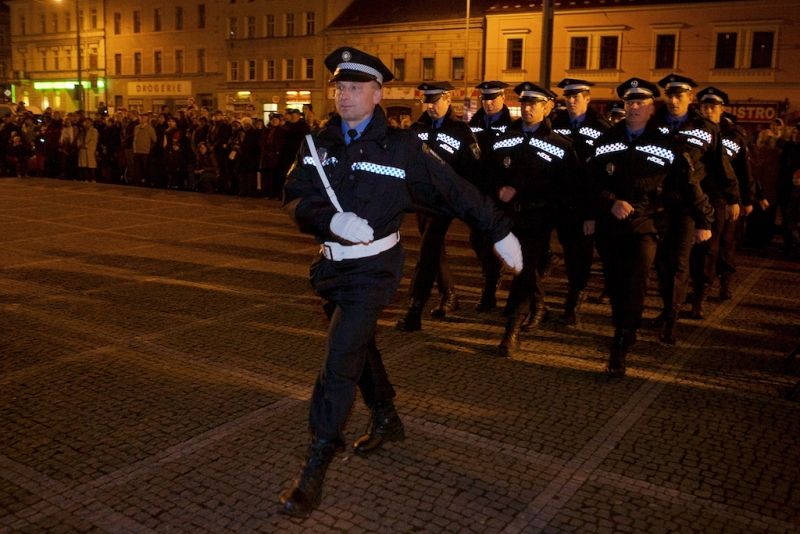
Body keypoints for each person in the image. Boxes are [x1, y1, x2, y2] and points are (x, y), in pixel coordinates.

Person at [279, 46, 522, 518]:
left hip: (374, 270)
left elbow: (454, 190)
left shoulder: (404, 147)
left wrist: (499, 229)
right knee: (358, 345)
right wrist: (329, 221)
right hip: (331, 266)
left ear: (378, 93)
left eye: (355, 87)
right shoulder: (316, 143)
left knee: (338, 360)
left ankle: (316, 461)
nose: (345, 95)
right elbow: (293, 197)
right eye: (340, 87)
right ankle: (387, 415)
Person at [591, 78, 713, 377]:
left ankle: (621, 341)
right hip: (611, 225)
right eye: (629, 103)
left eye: (640, 103)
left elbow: (687, 184)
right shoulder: (605, 141)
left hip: (646, 226)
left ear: (650, 108)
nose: (633, 108)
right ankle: (622, 326)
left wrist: (704, 218)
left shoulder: (666, 143)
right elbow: (590, 182)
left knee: (635, 282)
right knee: (616, 283)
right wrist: (611, 201)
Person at [489, 82, 580, 357]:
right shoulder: (505, 138)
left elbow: (570, 186)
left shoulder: (561, 146)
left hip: (539, 217)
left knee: (522, 269)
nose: (527, 109)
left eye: (534, 104)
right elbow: (488, 172)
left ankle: (511, 332)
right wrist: (497, 189)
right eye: (524, 103)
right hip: (507, 217)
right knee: (520, 268)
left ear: (547, 106)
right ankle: (539, 303)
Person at [652, 73, 738, 344]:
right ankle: (667, 306)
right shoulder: (653, 125)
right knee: (661, 264)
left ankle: (672, 318)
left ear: (690, 98)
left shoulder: (706, 129)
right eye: (670, 95)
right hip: (658, 205)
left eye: (680, 95)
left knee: (679, 263)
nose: (674, 100)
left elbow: (719, 171)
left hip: (688, 207)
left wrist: (725, 203)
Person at [395, 81, 482, 331]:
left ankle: (414, 309)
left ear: (448, 99)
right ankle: (449, 294)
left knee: (428, 251)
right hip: (421, 202)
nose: (430, 106)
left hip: (445, 202)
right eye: (427, 101)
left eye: (435, 101)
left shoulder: (461, 131)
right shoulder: (416, 128)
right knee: (433, 250)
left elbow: (473, 170)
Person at [550, 78, 611, 326]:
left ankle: (575, 298)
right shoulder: (557, 123)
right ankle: (573, 290)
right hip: (562, 201)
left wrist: (592, 213)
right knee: (568, 249)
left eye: (577, 97)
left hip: (587, 203)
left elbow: (603, 175)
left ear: (587, 99)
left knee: (581, 253)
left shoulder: (601, 127)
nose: (571, 101)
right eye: (568, 97)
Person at [696, 87, 756, 299]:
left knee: (725, 244)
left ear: (721, 109)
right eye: (705, 106)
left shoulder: (732, 136)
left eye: (713, 106)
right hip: (701, 196)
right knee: (706, 246)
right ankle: (702, 287)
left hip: (725, 198)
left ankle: (724, 283)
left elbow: (744, 170)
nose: (708, 110)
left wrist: (745, 199)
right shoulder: (695, 131)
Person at [468, 81, 514, 312]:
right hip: (478, 192)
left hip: (499, 195)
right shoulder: (474, 123)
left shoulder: (511, 126)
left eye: (493, 98)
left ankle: (490, 289)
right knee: (476, 240)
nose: (488, 103)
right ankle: (492, 276)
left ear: (502, 98)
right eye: (485, 99)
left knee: (490, 243)